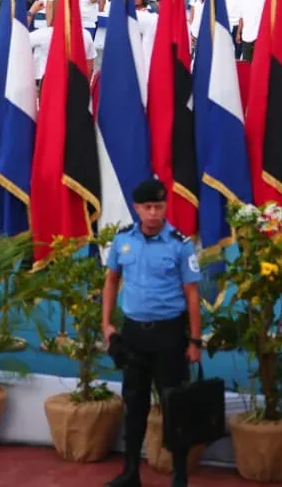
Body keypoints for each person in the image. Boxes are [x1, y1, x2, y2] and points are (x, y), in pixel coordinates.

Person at [101, 177, 203, 487]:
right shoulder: (122, 241)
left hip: (169, 336)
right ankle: (131, 472)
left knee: (175, 406)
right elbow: (111, 282)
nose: (154, 213)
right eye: (148, 207)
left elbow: (192, 294)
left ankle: (180, 476)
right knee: (135, 404)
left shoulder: (180, 244)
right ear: (136, 209)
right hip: (134, 335)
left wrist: (195, 340)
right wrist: (107, 325)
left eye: (159, 206)